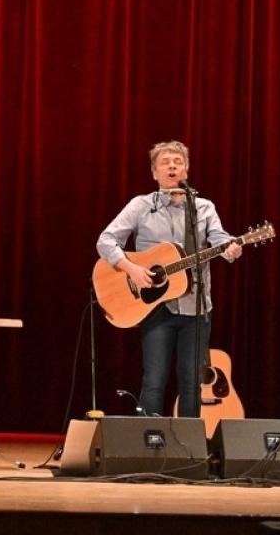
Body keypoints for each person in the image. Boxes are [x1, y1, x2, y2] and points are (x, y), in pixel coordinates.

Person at [97, 141, 241, 419]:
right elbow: (106, 241)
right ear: (154, 172)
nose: (172, 166)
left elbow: (220, 240)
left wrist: (231, 249)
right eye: (165, 162)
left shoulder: (203, 207)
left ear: (186, 169)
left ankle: (189, 443)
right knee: (154, 380)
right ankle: (149, 439)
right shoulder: (141, 205)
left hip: (196, 308)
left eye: (177, 161)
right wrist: (131, 269)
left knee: (192, 383)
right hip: (156, 307)